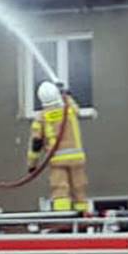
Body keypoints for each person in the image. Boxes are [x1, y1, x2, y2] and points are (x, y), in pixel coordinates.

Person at [30, 80, 88, 213]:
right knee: (79, 189)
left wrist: (32, 165)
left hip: (57, 161)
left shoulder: (41, 118)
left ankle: (64, 220)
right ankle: (83, 219)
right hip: (77, 158)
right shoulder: (69, 110)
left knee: (60, 191)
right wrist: (66, 95)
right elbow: (78, 110)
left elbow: (36, 145)